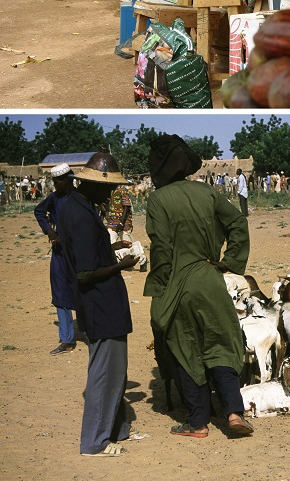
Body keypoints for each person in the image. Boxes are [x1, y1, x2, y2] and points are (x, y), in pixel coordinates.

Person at [144, 134, 254, 439]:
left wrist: (159, 289)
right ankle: (233, 412)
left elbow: (162, 250)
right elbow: (237, 223)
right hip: (210, 279)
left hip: (177, 283)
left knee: (184, 348)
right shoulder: (208, 193)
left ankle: (198, 422)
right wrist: (229, 262)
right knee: (220, 343)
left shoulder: (158, 200)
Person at [57, 150, 138, 457]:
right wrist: (122, 265)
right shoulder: (80, 213)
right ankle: (95, 441)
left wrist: (113, 244)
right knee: (104, 374)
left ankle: (116, 430)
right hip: (101, 303)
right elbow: (87, 271)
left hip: (100, 304)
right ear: (92, 183)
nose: (111, 191)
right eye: (108, 186)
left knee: (114, 371)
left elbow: (87, 251)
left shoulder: (79, 206)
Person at [34, 164, 76, 355]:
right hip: (59, 253)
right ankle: (66, 339)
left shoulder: (81, 198)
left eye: (57, 181)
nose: (55, 185)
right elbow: (39, 212)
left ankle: (91, 331)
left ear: (66, 180)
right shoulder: (54, 198)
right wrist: (49, 230)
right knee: (60, 293)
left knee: (83, 289)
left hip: (79, 252)